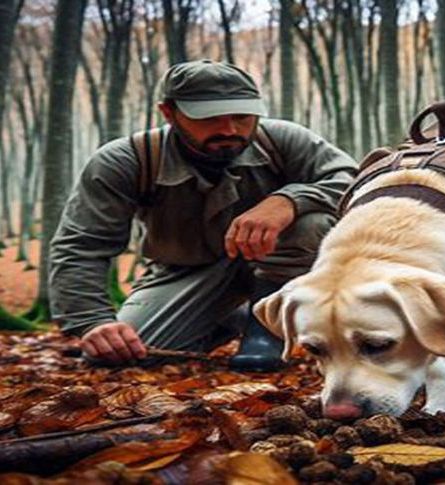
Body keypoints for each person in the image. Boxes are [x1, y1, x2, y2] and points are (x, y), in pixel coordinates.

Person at [49, 60, 357, 372]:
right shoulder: (127, 160)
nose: (229, 129)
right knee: (126, 353)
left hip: (286, 266)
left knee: (312, 223)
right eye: (209, 118)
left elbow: (355, 181)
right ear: (169, 113)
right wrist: (91, 320)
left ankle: (266, 334)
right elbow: (82, 245)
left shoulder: (284, 140)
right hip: (187, 275)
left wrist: (289, 200)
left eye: (241, 116)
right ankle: (241, 317)